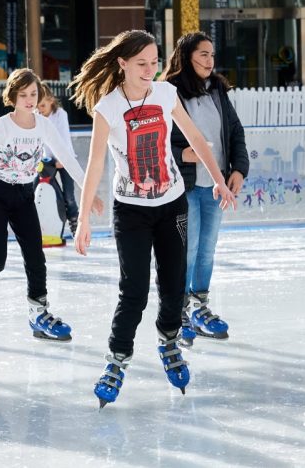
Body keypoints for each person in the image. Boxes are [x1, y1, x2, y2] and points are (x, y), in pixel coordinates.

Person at [70, 30, 236, 407]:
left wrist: (220, 182)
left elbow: (195, 138)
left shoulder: (165, 94)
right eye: (141, 63)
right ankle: (117, 360)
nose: (150, 70)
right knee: (134, 292)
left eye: (154, 62)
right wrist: (82, 219)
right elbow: (95, 164)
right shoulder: (107, 109)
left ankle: (169, 341)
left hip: (172, 203)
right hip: (130, 211)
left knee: (174, 286)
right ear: (123, 64)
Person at [0, 68, 101, 343]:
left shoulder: (44, 125)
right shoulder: (3, 125)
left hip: (24, 193)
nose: (29, 99)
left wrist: (89, 189)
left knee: (36, 256)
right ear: (13, 97)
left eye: (33, 94)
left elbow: (67, 159)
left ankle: (38, 312)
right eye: (23, 94)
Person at [163, 31, 250, 346]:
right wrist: (181, 155)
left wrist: (239, 169)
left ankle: (200, 306)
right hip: (185, 185)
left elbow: (235, 131)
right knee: (187, 251)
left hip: (216, 185)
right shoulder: (169, 91)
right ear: (187, 56)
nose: (209, 60)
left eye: (212, 54)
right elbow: (156, 138)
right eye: (202, 54)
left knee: (207, 250)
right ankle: (180, 309)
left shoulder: (217, 91)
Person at [36, 83, 80, 235]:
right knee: (39, 192)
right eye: (38, 106)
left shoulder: (60, 114)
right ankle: (42, 226)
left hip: (64, 159)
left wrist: (62, 160)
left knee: (69, 196)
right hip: (47, 162)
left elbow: (64, 138)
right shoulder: (36, 117)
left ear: (51, 101)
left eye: (42, 105)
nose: (40, 109)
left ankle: (75, 223)